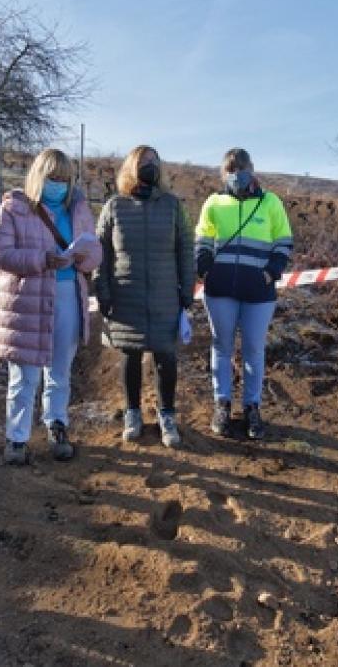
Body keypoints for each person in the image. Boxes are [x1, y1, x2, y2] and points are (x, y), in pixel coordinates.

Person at [0, 148, 102, 464]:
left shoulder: (78, 209)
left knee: (60, 370)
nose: (59, 185)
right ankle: (17, 438)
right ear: (39, 176)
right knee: (24, 373)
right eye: (53, 178)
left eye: (65, 179)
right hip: (27, 301)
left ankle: (57, 424)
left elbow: (94, 252)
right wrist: (41, 260)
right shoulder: (14, 208)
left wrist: (84, 257)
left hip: (68, 294)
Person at [94, 145, 195, 448]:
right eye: (143, 163)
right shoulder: (114, 206)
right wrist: (103, 290)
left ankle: (166, 415)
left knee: (166, 356)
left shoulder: (173, 206)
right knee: (131, 355)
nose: (150, 167)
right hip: (126, 294)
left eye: (154, 162)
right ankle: (132, 413)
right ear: (131, 168)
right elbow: (101, 253)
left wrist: (187, 289)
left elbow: (185, 249)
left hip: (165, 294)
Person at [195, 148, 293, 440]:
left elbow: (284, 240)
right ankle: (222, 403)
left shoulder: (270, 202)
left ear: (252, 168)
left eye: (241, 167)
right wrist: (204, 266)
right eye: (231, 168)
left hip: (258, 292)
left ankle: (252, 406)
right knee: (221, 347)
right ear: (224, 172)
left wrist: (270, 272)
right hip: (220, 289)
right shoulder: (213, 202)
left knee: (253, 349)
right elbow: (202, 237)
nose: (237, 172)